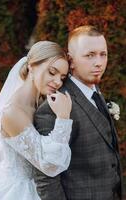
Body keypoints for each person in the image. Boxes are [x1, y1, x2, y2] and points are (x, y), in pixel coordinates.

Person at [33, 26, 122, 200]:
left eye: (103, 54)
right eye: (89, 55)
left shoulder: (95, 91)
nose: (99, 62)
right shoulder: (54, 106)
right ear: (71, 60)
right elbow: (46, 178)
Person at [0, 41, 73, 200]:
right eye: (52, 72)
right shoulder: (12, 113)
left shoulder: (42, 104)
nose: (57, 81)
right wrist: (63, 118)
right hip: (17, 191)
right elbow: (49, 164)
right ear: (31, 66)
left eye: (62, 77)